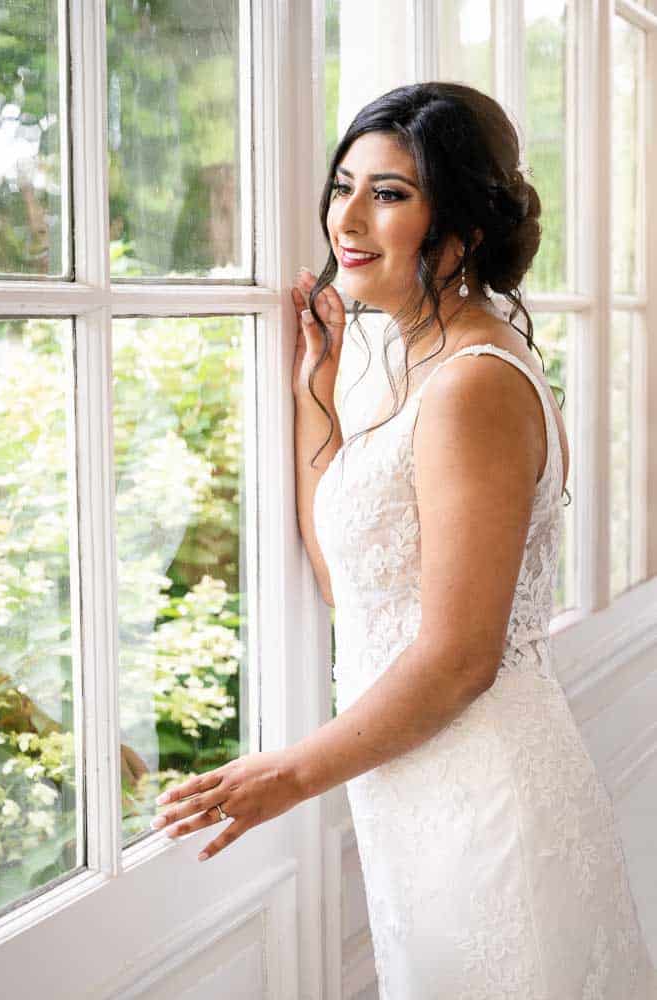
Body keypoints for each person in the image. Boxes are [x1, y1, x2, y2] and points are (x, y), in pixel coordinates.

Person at [151, 82, 657, 998]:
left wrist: (287, 775)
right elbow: (355, 585)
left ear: (459, 225)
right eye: (344, 184)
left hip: (482, 790)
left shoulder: (473, 385)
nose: (346, 216)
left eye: (388, 194)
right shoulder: (409, 361)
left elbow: (460, 658)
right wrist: (319, 386)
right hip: (415, 790)